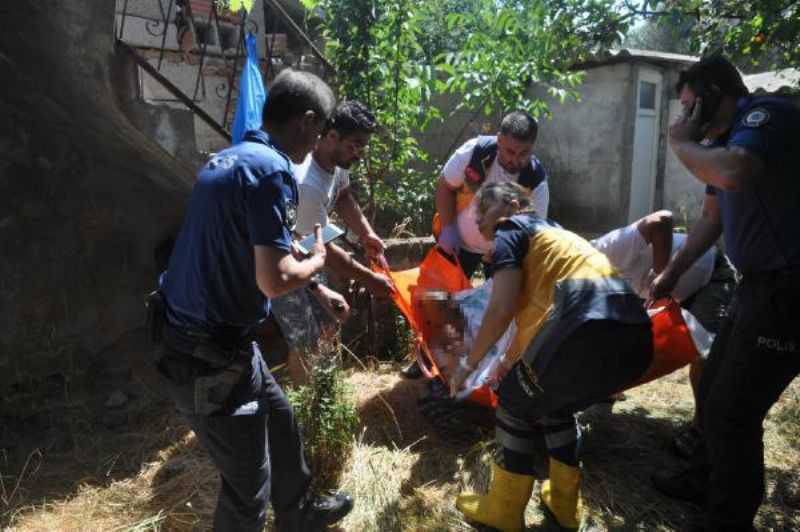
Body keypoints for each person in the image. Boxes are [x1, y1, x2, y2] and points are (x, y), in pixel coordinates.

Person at [153, 69, 353, 532]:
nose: (319, 141)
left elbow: (251, 253)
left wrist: (315, 287)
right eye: (321, 130)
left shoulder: (229, 159)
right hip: (207, 354)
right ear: (306, 122)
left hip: (212, 341)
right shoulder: (272, 170)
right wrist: (319, 262)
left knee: (281, 424)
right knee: (248, 488)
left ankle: (298, 513)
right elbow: (275, 278)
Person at [649, 54, 800, 531]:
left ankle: (727, 520)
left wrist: (679, 143)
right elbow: (712, 219)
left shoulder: (765, 118)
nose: (686, 118)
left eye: (692, 106)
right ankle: (704, 479)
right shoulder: (724, 143)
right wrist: (670, 275)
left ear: (715, 95)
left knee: (734, 412)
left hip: (789, 293)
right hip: (756, 286)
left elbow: (735, 172)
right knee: (712, 387)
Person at [450, 181, 653, 531]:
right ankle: (564, 504)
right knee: (553, 403)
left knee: (513, 402)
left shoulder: (511, 229)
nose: (480, 221)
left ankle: (504, 510)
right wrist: (505, 362)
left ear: (513, 204)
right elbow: (534, 319)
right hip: (634, 332)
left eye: (483, 210)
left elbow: (500, 310)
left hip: (584, 320)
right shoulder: (555, 235)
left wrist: (467, 366)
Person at [591, 210, 736, 457]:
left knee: (703, 355)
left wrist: (664, 273)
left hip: (710, 276)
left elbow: (663, 219)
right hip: (675, 293)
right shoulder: (582, 287)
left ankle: (702, 431)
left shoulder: (604, 250)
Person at [271, 101, 394, 383]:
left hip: (309, 255)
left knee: (329, 322)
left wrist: (366, 233)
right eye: (355, 145)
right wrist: (369, 279)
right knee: (304, 339)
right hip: (283, 263)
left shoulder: (337, 162)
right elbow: (321, 247)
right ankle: (309, 410)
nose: (359, 154)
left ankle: (326, 389)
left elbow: (343, 196)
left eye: (363, 147)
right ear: (331, 136)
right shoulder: (306, 182)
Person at [434, 110, 549, 278]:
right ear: (499, 139)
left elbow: (533, 233)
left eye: (524, 153)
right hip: (458, 243)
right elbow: (445, 187)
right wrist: (448, 229)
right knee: (441, 297)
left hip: (502, 253)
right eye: (510, 152)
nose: (516, 160)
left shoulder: (536, 181)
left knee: (496, 302)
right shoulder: (474, 152)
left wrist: (505, 253)